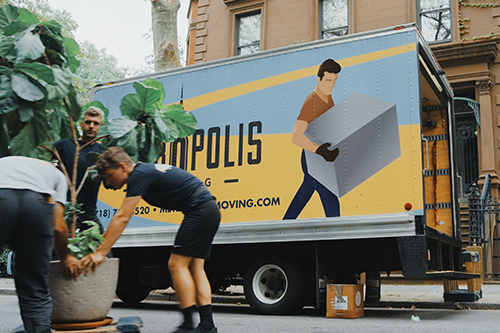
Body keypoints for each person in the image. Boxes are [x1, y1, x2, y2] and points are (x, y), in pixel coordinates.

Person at [81, 147, 220, 333]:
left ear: (122, 167)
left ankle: (187, 326)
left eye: (108, 175)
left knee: (176, 264)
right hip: (207, 209)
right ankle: (207, 326)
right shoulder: (144, 171)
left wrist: (101, 253)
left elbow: (123, 216)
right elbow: (119, 218)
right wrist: (100, 243)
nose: (108, 181)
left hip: (200, 210)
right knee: (195, 267)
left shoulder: (138, 175)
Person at [0, 156, 81, 333]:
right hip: (35, 208)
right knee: (34, 287)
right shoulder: (57, 175)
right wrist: (66, 257)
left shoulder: (4, 162)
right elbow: (58, 226)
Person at [283, 59, 342, 219]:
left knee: (305, 191)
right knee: (330, 197)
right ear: (319, 79)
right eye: (328, 80)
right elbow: (296, 136)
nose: (331, 85)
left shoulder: (327, 97)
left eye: (335, 80)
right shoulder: (312, 102)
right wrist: (320, 150)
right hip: (313, 158)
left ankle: (285, 224)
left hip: (322, 157)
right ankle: (338, 237)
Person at [54, 106, 106, 233]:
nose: (91, 126)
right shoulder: (65, 145)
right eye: (88, 122)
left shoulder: (103, 153)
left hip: (88, 212)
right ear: (82, 124)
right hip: (64, 210)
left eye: (96, 123)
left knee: (101, 250)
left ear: (100, 126)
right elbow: (40, 156)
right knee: (60, 250)